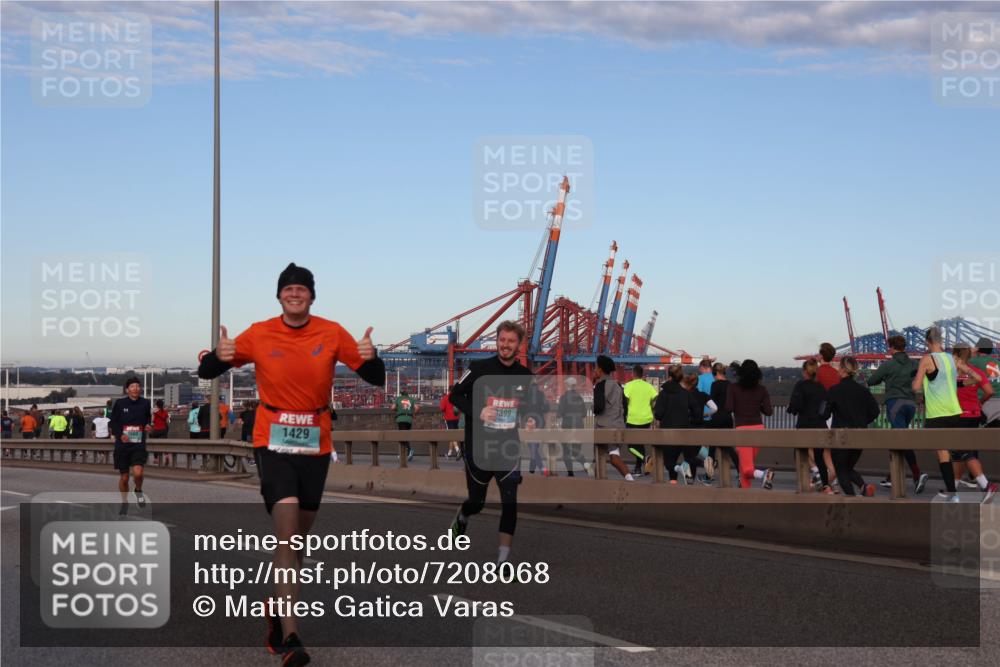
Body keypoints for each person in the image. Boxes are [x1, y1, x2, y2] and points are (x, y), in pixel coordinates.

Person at [197, 262, 384, 666]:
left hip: (315, 443)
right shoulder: (260, 332)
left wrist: (374, 357)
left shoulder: (331, 332)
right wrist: (217, 355)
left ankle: (276, 607)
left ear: (311, 297)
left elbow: (375, 377)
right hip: (272, 440)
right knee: (287, 536)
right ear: (279, 296)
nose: (295, 294)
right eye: (288, 289)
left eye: (302, 289)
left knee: (299, 538)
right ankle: (292, 635)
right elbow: (207, 370)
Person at [448, 320, 543, 564]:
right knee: (476, 502)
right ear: (497, 341)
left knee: (510, 503)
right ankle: (463, 516)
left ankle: (503, 560)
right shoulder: (479, 368)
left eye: (511, 341)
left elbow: (533, 406)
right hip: (478, 447)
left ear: (519, 345)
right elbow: (455, 395)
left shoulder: (525, 376)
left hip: (508, 448)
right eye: (502, 340)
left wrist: (531, 418)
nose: (505, 345)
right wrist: (479, 411)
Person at [912, 326, 978, 500]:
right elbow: (975, 378)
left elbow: (916, 386)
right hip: (955, 412)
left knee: (943, 454)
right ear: (941, 340)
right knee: (954, 451)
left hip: (937, 414)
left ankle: (953, 494)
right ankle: (976, 482)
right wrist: (961, 383)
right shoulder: (952, 358)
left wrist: (918, 377)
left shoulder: (927, 359)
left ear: (927, 341)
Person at [866, 335, 927, 493]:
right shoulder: (913, 363)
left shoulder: (889, 364)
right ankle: (891, 477)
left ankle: (917, 474)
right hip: (911, 404)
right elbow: (923, 374)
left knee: (900, 440)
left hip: (895, 404)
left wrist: (885, 378)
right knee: (899, 439)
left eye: (889, 347)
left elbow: (872, 381)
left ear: (892, 347)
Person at [820, 357, 879, 497]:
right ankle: (864, 487)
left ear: (843, 370)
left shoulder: (835, 390)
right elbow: (875, 411)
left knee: (841, 470)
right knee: (847, 468)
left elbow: (823, 413)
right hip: (859, 436)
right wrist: (863, 421)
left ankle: (853, 500)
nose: (837, 370)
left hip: (841, 437)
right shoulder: (863, 391)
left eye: (839, 367)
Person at [951, 342, 997, 503]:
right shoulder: (976, 371)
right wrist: (979, 402)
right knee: (959, 453)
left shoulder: (951, 373)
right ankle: (952, 488)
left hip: (958, 415)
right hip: (974, 414)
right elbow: (989, 391)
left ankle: (986, 485)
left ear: (955, 354)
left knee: (963, 452)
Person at [725, 360, 775, 489]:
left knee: (747, 469)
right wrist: (757, 405)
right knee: (744, 468)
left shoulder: (733, 388)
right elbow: (769, 412)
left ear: (741, 372)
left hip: (742, 430)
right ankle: (744, 495)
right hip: (759, 430)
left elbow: (728, 408)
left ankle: (764, 474)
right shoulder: (762, 390)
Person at [584, 355, 633, 480]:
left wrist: (591, 407)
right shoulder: (618, 385)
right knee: (614, 457)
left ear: (600, 370)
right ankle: (630, 479)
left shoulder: (600, 385)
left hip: (604, 427)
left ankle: (597, 479)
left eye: (595, 368)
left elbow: (599, 407)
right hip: (618, 425)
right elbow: (625, 406)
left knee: (596, 453)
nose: (594, 370)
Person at [653, 365, 702, 484]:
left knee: (669, 462)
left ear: (669, 377)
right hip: (685, 431)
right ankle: (689, 483)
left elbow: (658, 414)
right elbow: (697, 412)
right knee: (689, 458)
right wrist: (691, 420)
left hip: (668, 433)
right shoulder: (686, 393)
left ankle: (673, 482)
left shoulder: (663, 394)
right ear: (680, 378)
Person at [109, 377, 152, 510]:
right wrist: (120, 435)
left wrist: (148, 425)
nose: (135, 389)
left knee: (138, 473)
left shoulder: (145, 403)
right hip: (122, 445)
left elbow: (148, 419)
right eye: (132, 386)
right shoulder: (120, 403)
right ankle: (124, 501)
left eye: (138, 386)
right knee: (125, 478)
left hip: (138, 444)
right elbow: (113, 422)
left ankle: (138, 490)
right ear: (127, 390)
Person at [787, 360, 830, 491]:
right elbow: (825, 406)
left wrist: (791, 409)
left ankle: (805, 484)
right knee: (819, 457)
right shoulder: (821, 387)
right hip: (820, 424)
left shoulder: (801, 385)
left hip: (805, 424)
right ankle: (826, 485)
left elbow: (796, 405)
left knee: (800, 453)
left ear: (804, 371)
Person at [623, 364, 658, 475]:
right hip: (646, 419)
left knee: (630, 445)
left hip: (632, 419)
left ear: (633, 374)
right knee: (640, 443)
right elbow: (655, 399)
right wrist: (651, 407)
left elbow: (624, 401)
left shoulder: (628, 385)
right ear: (642, 374)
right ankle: (638, 468)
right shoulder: (648, 386)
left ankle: (645, 459)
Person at [557, 376, 588, 476]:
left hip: (567, 427)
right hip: (579, 427)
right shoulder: (579, 398)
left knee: (566, 451)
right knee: (576, 451)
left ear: (567, 385)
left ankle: (570, 473)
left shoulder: (564, 397)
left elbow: (559, 413)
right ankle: (586, 464)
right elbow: (584, 414)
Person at [970, 337, 1000, 428]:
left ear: (978, 348)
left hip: (984, 402)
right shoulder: (997, 362)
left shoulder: (972, 362)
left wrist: (971, 352)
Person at [393, 389, 419, 462]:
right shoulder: (411, 399)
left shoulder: (398, 399)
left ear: (401, 393)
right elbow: (417, 408)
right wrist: (413, 414)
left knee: (402, 436)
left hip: (401, 419)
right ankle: (404, 453)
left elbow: (393, 407)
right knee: (406, 436)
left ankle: (409, 450)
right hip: (409, 419)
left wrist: (398, 410)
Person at [440, 388, 461, 458]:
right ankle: (449, 453)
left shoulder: (445, 398)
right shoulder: (457, 397)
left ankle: (458, 450)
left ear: (448, 390)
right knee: (453, 435)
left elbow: (442, 408)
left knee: (451, 435)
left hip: (449, 418)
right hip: (456, 418)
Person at [150, 399, 171, 466]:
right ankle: (167, 456)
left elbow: (152, 421)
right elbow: (168, 421)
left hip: (156, 430)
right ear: (162, 405)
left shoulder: (155, 412)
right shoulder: (165, 412)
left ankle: (156, 459)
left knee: (155, 444)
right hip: (163, 430)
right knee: (164, 444)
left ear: (157, 405)